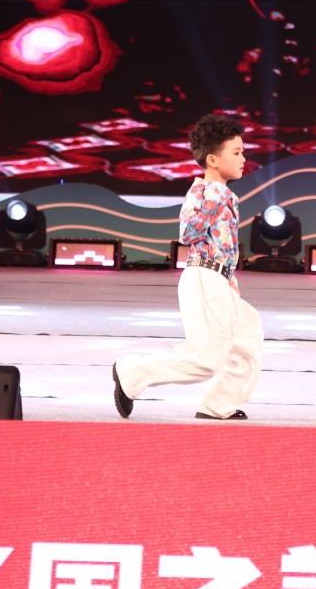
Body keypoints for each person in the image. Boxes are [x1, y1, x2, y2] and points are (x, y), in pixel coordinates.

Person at [112, 113, 262, 421]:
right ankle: (131, 372)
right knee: (205, 360)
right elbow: (188, 233)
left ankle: (218, 405)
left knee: (247, 338)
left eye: (243, 151)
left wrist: (230, 278)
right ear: (212, 159)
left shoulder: (225, 195)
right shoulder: (202, 192)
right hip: (203, 278)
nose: (243, 158)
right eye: (236, 152)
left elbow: (223, 244)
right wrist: (215, 195)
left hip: (219, 279)